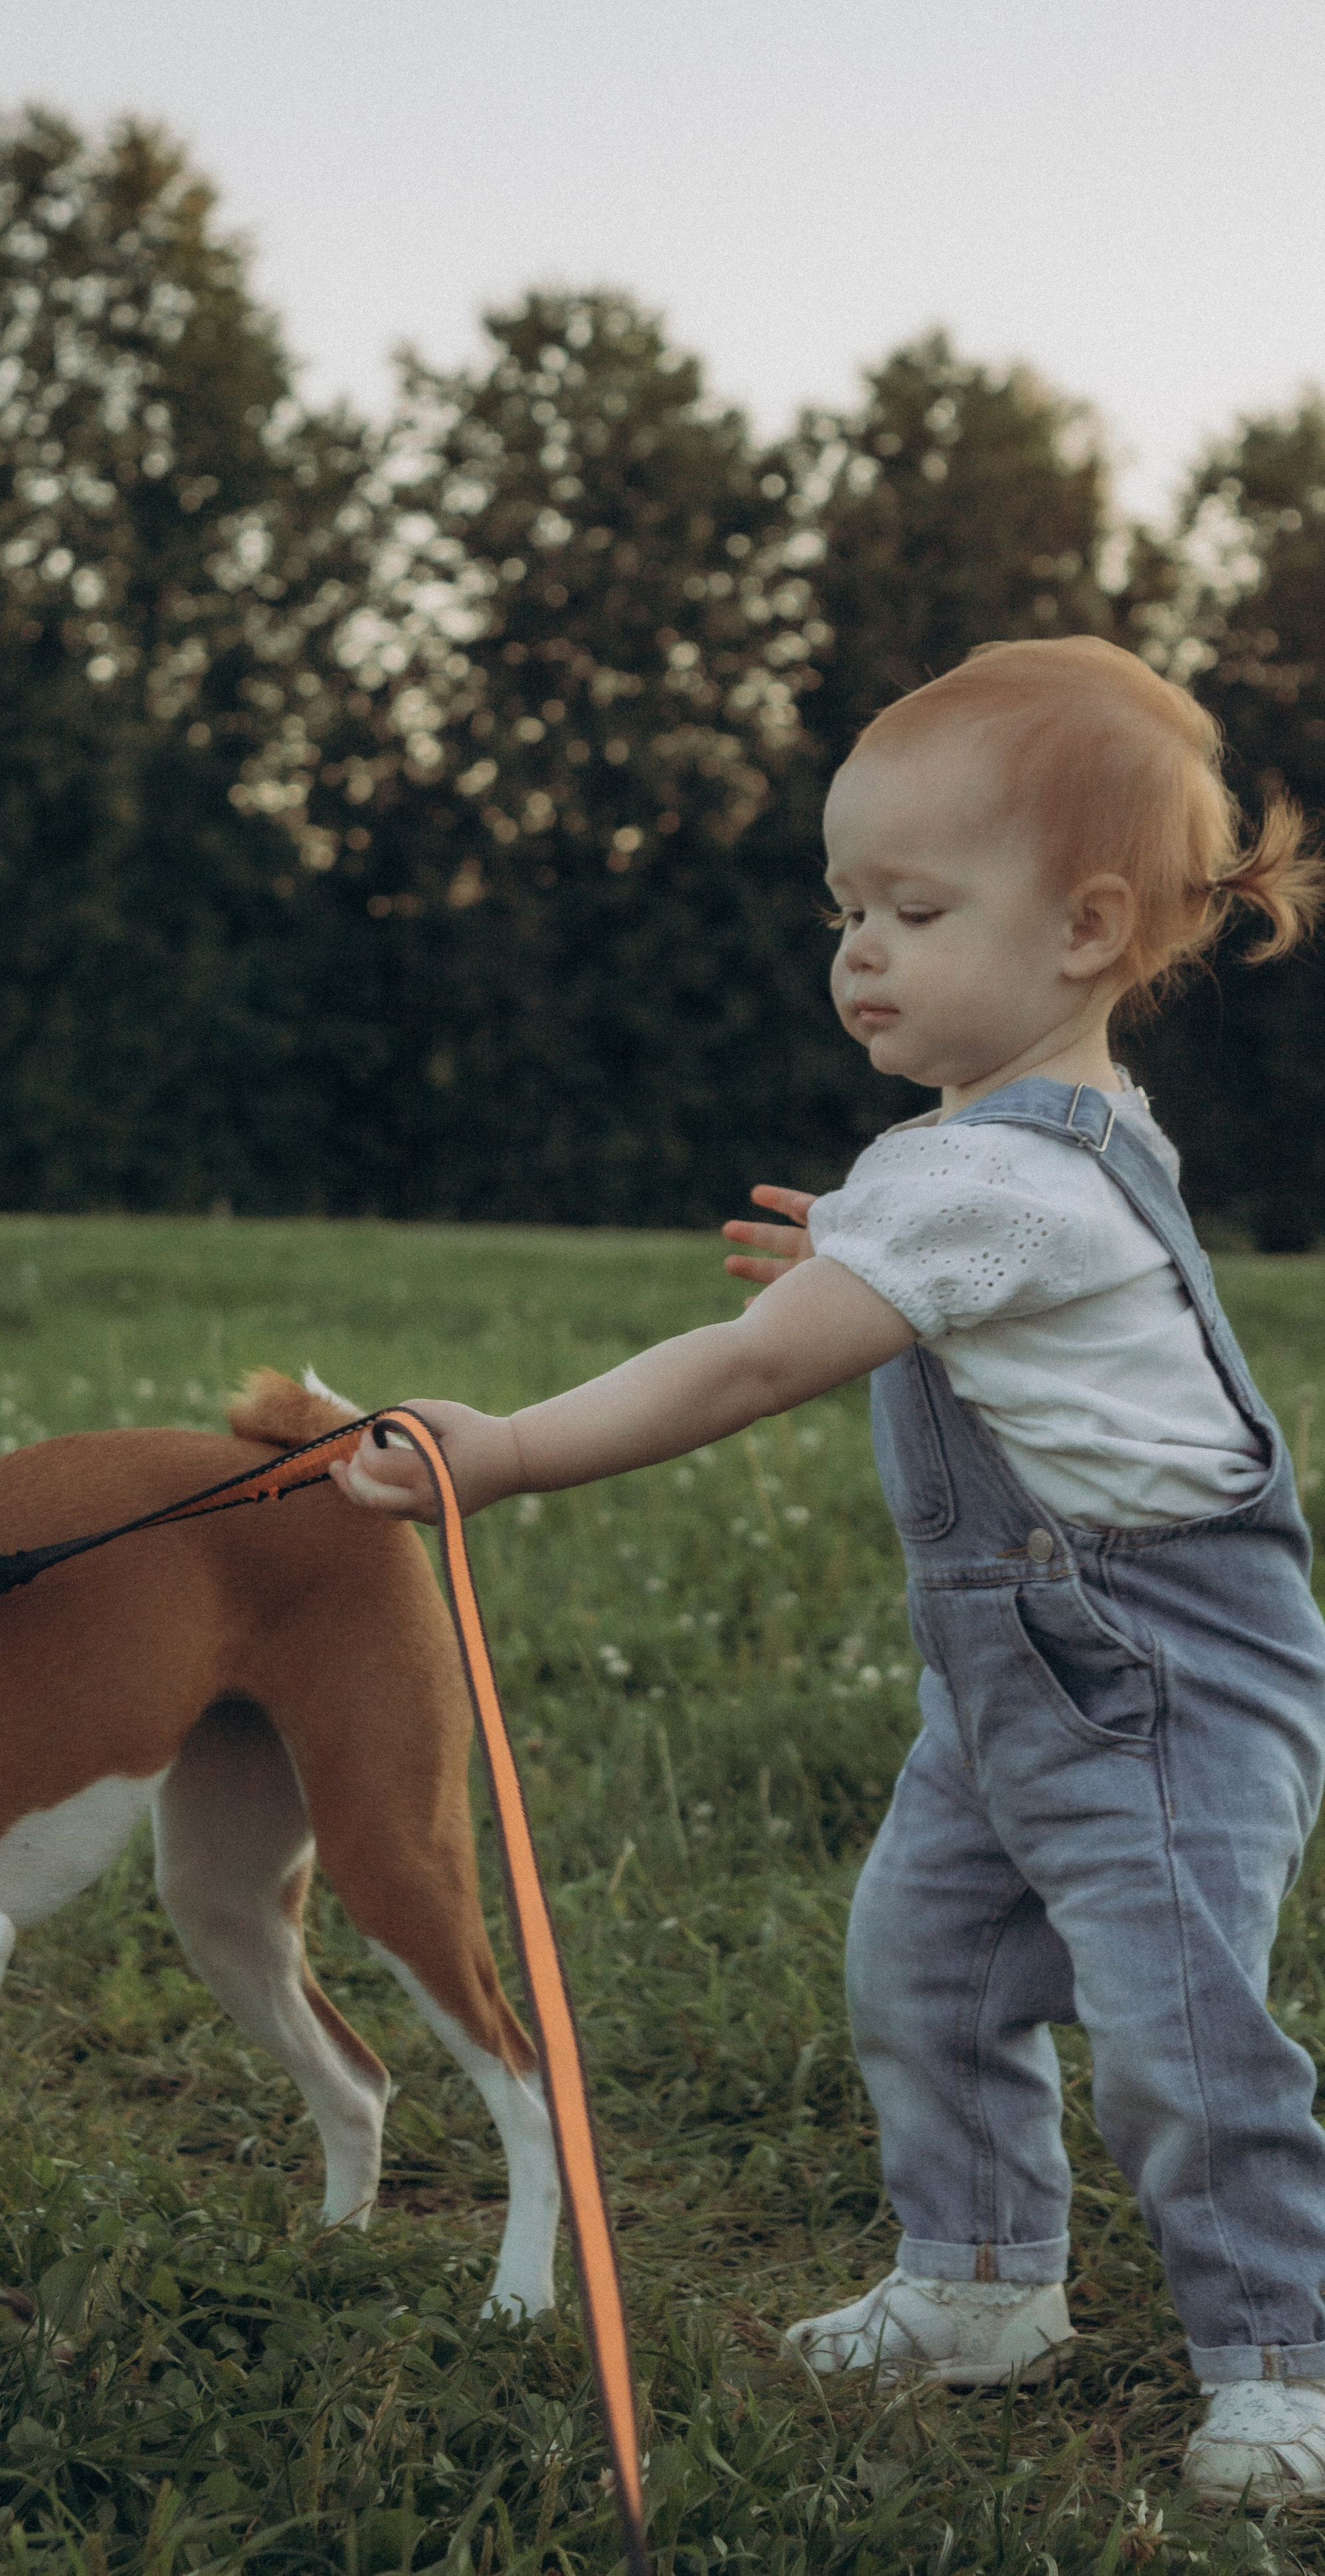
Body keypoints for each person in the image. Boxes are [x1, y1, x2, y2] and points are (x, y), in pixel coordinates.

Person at [330, 635, 1325, 2501]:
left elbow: (754, 1366)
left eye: (915, 910)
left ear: (1089, 930)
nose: (861, 949)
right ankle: (980, 2278)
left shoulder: (991, 1180)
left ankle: (1287, 2359)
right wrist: (864, 1255)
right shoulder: (1003, 1150)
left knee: (1183, 2040)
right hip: (1022, 1678)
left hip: (1162, 1676)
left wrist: (512, 1446)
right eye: (846, 908)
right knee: (925, 1967)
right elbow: (981, 1282)